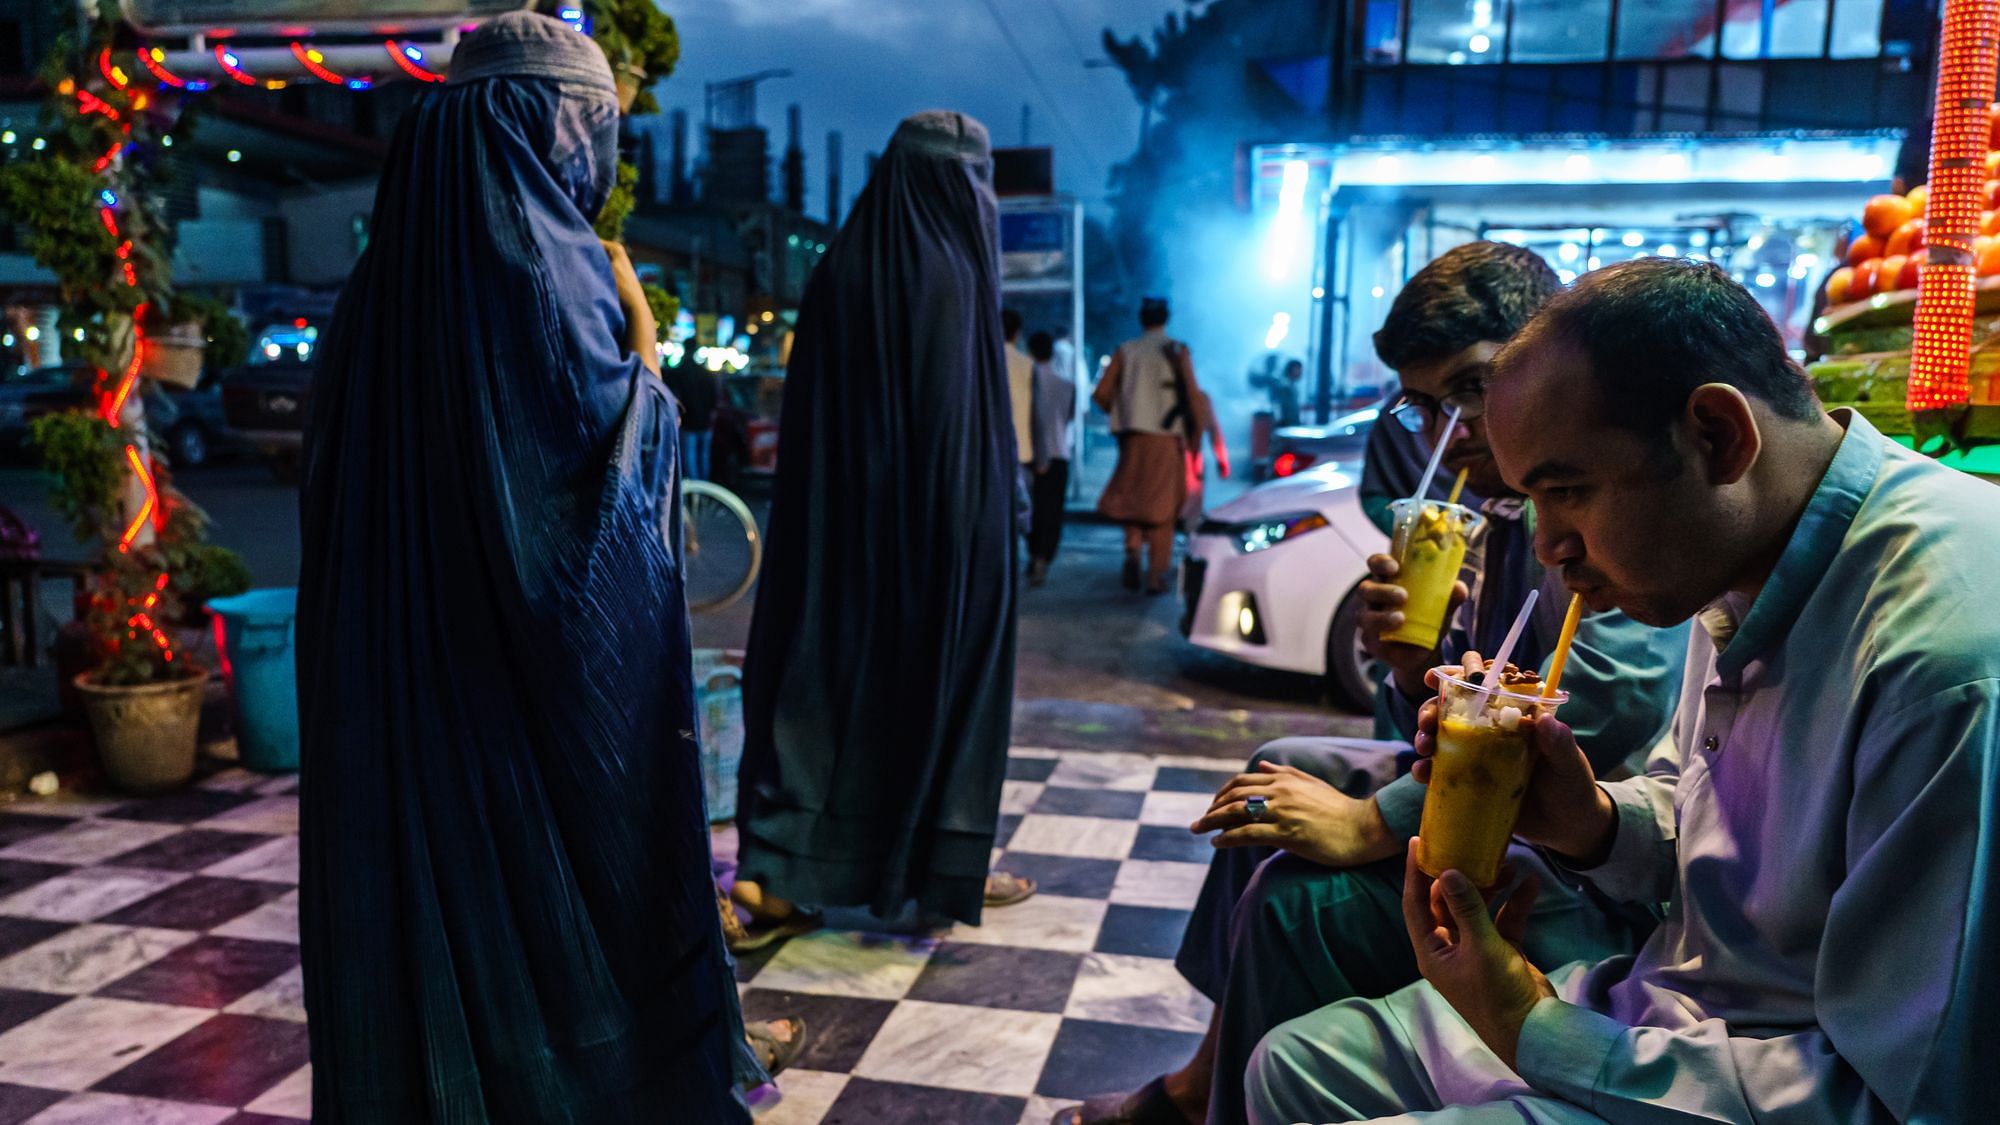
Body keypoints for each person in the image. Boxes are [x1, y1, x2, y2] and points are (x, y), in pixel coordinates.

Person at [1245, 257, 2000, 1124]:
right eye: (1534, 499)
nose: (1552, 546)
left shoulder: (1942, 664)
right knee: (1295, 1065)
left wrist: (1528, 1022)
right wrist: (1591, 820)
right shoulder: (1735, 551)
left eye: (1568, 492)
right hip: (1663, 1000)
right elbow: (1700, 819)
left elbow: (1907, 1096)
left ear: (1717, 435)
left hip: (1764, 1073)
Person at [1057, 242, 1686, 1125]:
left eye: (1472, 388)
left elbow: (1592, 733)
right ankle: (1211, 1073)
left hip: (1582, 868)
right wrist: (1405, 669)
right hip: (1512, 809)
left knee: (1294, 892)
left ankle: (1212, 1098)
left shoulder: (1593, 513)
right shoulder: (1501, 515)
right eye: (1426, 406)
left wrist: (1365, 821)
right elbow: (1457, 713)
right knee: (1277, 771)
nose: (1449, 430)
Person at [295, 14, 794, 1122]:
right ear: (551, 126)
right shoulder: (548, 266)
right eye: (591, 127)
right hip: (523, 715)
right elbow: (600, 500)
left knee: (431, 918)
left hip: (400, 699)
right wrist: (646, 349)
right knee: (555, 917)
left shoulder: (378, 287)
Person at [728, 111, 1036, 946]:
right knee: (940, 699)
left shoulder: (841, 269)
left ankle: (782, 876)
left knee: (819, 695)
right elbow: (960, 436)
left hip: (833, 539)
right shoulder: (953, 274)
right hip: (944, 544)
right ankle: (939, 865)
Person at [1095, 296, 1215, 594]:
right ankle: (1155, 575)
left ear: (1142, 318)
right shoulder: (1176, 350)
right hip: (1165, 439)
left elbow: (1101, 394)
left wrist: (1123, 413)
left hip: (1131, 438)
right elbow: (1192, 397)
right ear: (1166, 318)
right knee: (1163, 507)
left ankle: (1133, 551)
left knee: (1134, 500)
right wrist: (1196, 440)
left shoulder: (1126, 350)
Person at [1025, 329, 1074, 587]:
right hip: (1059, 453)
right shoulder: (1066, 384)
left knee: (1032, 508)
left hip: (1031, 454)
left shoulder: (1025, 380)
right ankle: (1044, 556)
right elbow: (1069, 419)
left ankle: (1033, 554)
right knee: (1052, 511)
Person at [667, 361, 719, 480]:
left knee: (690, 457)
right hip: (704, 422)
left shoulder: (682, 373)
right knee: (703, 456)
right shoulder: (704, 374)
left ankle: (696, 489)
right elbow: (714, 397)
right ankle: (703, 486)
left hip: (689, 422)